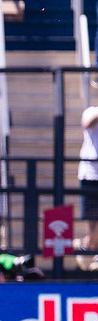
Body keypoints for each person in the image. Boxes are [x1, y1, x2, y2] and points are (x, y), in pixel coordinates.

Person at [75, 106, 98, 270]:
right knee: (92, 221)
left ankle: (85, 246)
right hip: (90, 174)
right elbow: (88, 123)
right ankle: (89, 247)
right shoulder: (91, 111)